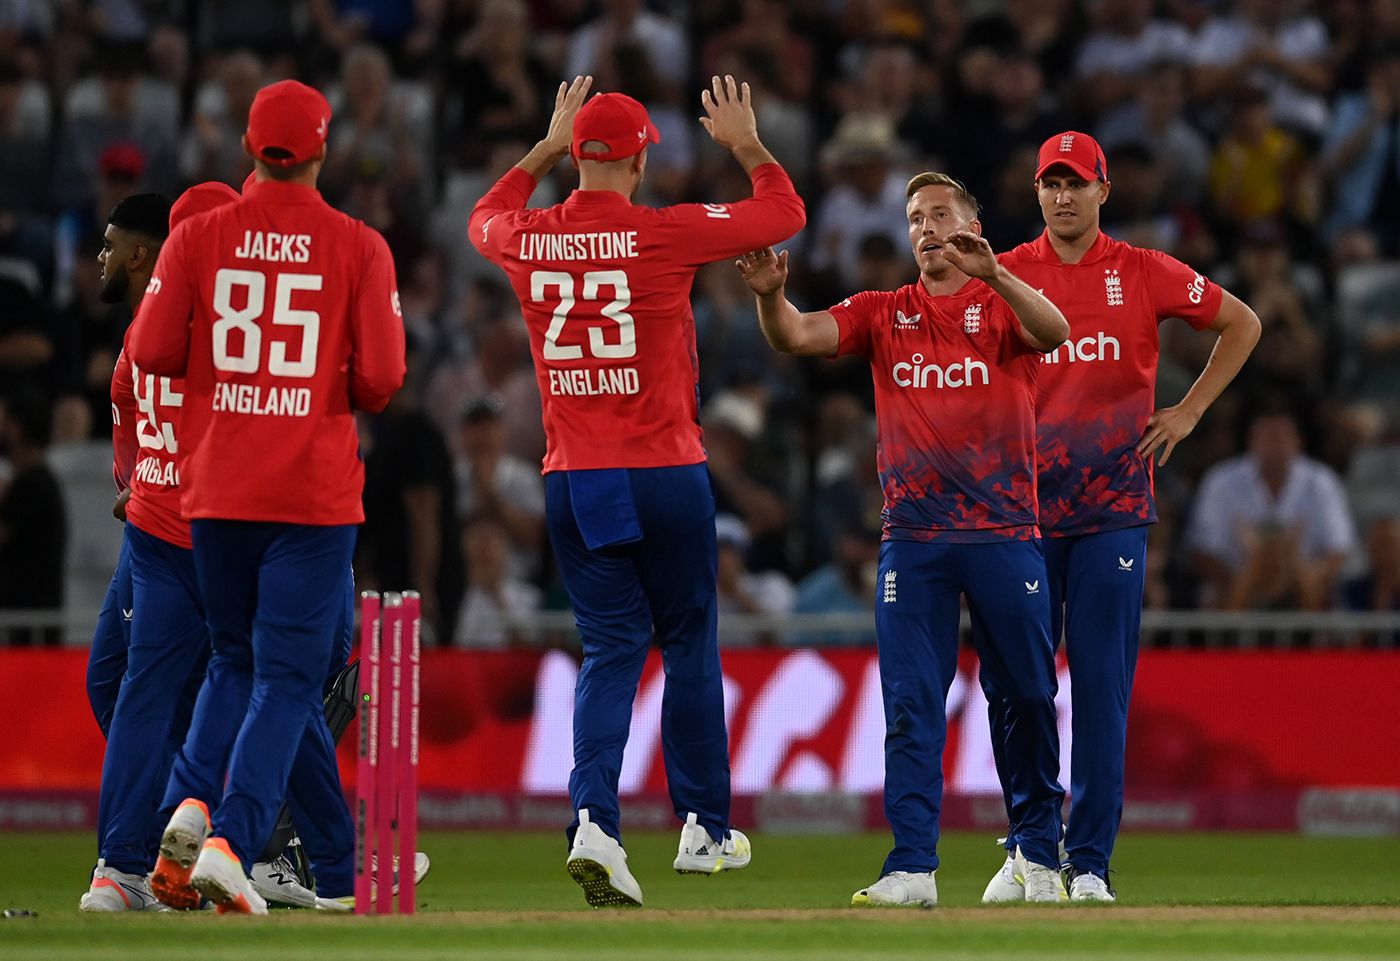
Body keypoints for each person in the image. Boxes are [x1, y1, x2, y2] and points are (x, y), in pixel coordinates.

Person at [469, 74, 805, 907]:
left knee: (610, 649)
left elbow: (480, 217)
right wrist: (746, 144)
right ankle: (704, 827)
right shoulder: (665, 233)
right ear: (642, 160)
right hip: (666, 470)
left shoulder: (526, 237)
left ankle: (594, 821)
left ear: (579, 157)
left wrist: (541, 149)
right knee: (689, 638)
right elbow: (785, 215)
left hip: (576, 476)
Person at [736, 171, 1071, 906]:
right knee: (911, 702)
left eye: (941, 213)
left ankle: (1037, 855)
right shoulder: (883, 313)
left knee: (1026, 693)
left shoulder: (1000, 304)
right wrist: (768, 295)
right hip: (914, 540)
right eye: (916, 216)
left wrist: (1000, 273)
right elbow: (795, 333)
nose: (925, 226)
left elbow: (1056, 332)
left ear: (973, 223)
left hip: (1003, 531)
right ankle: (912, 866)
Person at [130, 79, 406, 914]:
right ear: (322, 150)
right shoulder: (359, 245)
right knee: (287, 677)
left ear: (250, 148)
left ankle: (187, 805)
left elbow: (149, 348)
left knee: (233, 660)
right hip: (311, 498)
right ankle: (232, 841)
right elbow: (384, 381)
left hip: (215, 493)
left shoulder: (196, 238)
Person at [982, 131, 1261, 903]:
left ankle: (1090, 863)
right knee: (1019, 686)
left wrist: (1190, 411)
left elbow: (1243, 322)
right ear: (1036, 192)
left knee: (1101, 688)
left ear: (1105, 190)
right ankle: (1031, 845)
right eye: (1051, 183)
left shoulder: (1142, 271)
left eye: (1077, 182)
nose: (1063, 196)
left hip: (1112, 511)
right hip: (1020, 514)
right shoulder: (1003, 273)